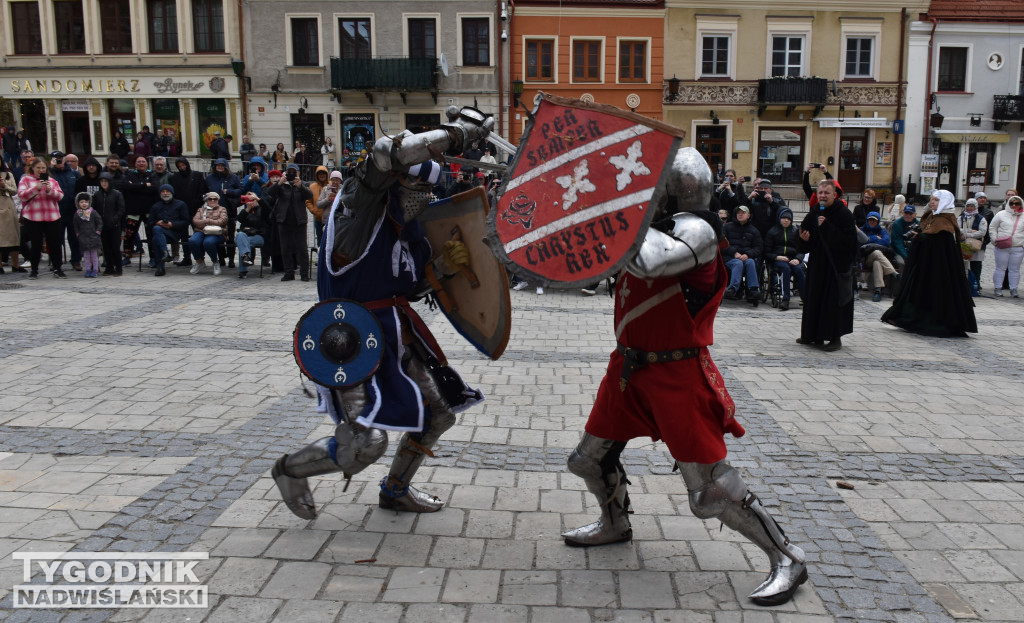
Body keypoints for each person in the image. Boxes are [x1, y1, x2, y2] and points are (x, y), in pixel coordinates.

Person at [560, 147, 807, 607]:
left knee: (709, 493)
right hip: (629, 368)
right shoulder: (647, 228)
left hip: (677, 373)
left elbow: (649, 261)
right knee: (586, 461)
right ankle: (614, 524)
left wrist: (606, 210)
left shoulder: (699, 231)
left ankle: (787, 557)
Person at [271, 109, 491, 521]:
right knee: (365, 444)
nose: (424, 196)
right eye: (415, 186)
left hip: (397, 334)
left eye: (430, 190)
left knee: (438, 415)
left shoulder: (407, 230)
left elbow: (406, 289)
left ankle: (395, 490)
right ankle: (289, 470)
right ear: (396, 182)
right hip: (350, 341)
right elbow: (384, 156)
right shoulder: (361, 207)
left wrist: (442, 267)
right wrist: (457, 134)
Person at [881, 189, 977, 336]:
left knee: (935, 293)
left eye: (936, 200)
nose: (932, 202)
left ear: (944, 202)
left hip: (939, 268)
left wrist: (920, 238)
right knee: (917, 291)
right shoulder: (932, 216)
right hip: (926, 264)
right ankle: (908, 318)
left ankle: (933, 323)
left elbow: (940, 244)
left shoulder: (945, 219)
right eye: (931, 199)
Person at [797, 179, 857, 351]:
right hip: (817, 264)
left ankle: (834, 338)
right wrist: (803, 240)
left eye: (826, 193)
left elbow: (849, 242)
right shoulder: (814, 212)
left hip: (836, 265)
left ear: (834, 195)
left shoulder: (843, 214)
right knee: (814, 299)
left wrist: (827, 226)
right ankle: (812, 335)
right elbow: (804, 238)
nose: (823, 196)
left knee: (832, 302)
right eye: (820, 193)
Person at [17, 157, 66, 279]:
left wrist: (50, 190)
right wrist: (36, 188)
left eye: (43, 168)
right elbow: (21, 195)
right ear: (32, 168)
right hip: (33, 217)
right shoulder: (26, 179)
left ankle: (57, 268)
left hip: (52, 216)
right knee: (36, 244)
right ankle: (34, 270)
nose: (40, 170)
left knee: (55, 243)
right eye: (38, 167)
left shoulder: (52, 181)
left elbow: (60, 196)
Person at [267, 164, 311, 281]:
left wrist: (300, 186)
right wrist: (279, 182)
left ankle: (304, 273)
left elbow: (310, 196)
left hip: (299, 220)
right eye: (289, 172)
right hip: (284, 220)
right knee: (285, 248)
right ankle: (289, 272)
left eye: (294, 172)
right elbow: (269, 192)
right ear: (285, 173)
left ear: (298, 173)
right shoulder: (282, 185)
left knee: (302, 248)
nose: (292, 174)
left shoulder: (304, 184)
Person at [763, 207, 805, 310]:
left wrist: (798, 259)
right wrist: (777, 257)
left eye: (788, 219)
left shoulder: (795, 232)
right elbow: (766, 252)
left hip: (792, 258)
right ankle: (785, 299)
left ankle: (805, 298)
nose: (786, 220)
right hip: (778, 259)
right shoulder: (772, 232)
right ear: (779, 218)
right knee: (785, 269)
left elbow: (801, 249)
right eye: (784, 218)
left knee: (799, 269)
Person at [122, 155, 157, 264]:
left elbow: (155, 188)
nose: (141, 163)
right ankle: (127, 257)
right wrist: (145, 185)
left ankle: (153, 257)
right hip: (133, 210)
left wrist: (136, 187)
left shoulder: (152, 174)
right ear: (135, 164)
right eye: (139, 161)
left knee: (151, 234)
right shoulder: (129, 174)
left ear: (147, 163)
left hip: (148, 210)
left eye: (143, 161)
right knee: (129, 235)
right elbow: (128, 187)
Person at [148, 185, 190, 276]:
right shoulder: (156, 206)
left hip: (174, 233)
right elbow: (150, 222)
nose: (165, 193)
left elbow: (186, 221)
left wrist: (172, 224)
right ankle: (165, 253)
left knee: (156, 236)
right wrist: (157, 222)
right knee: (156, 233)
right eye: (163, 192)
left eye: (167, 191)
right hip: (160, 234)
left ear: (172, 193)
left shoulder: (181, 204)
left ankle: (161, 266)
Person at [722, 205, 762, 302]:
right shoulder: (727, 227)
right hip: (729, 257)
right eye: (738, 213)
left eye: (743, 213)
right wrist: (734, 253)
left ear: (748, 215)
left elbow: (758, 247)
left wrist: (747, 254)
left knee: (750, 262)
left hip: (745, 256)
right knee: (737, 263)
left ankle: (753, 289)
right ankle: (733, 288)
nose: (740, 214)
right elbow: (722, 244)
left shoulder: (754, 230)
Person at [50, 151, 81, 271]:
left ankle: (76, 260)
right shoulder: (50, 173)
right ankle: (56, 262)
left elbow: (80, 188)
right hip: (57, 210)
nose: (58, 161)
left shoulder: (73, 173)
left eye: (60, 159)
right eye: (55, 159)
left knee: (74, 237)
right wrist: (51, 168)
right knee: (57, 239)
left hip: (72, 210)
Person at [989, 195, 1024, 298]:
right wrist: (994, 239)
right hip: (1002, 245)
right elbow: (993, 227)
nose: (1014, 205)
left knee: (1015, 269)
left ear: (1020, 204)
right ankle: (998, 287)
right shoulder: (1001, 214)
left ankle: (1014, 288)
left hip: (1017, 246)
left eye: (1016, 203)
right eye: (1011, 203)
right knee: (1000, 268)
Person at [858, 212, 897, 302]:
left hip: (875, 259)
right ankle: (893, 272)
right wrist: (875, 238)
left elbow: (886, 241)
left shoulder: (881, 230)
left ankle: (878, 291)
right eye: (870, 220)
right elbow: (861, 241)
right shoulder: (861, 229)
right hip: (864, 258)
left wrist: (869, 241)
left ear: (878, 221)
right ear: (867, 220)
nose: (872, 222)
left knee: (877, 262)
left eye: (874, 220)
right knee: (877, 252)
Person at [93, 173, 125, 276]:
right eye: (102, 181)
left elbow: (121, 209)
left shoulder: (117, 194)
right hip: (102, 225)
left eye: (105, 181)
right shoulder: (97, 194)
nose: (103, 183)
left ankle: (119, 268)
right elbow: (94, 209)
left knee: (115, 247)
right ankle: (109, 267)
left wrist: (114, 219)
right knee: (106, 248)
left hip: (114, 225)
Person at [188, 192, 228, 275]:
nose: (212, 200)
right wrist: (210, 222)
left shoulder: (222, 209)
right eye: (210, 199)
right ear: (206, 200)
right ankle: (199, 261)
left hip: (217, 232)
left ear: (218, 200)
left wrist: (207, 221)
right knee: (193, 241)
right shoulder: (201, 210)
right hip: (201, 231)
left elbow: (222, 221)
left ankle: (215, 262)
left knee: (208, 242)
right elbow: (195, 221)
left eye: (215, 199)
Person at [235, 191, 269, 279]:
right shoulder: (246, 211)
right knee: (241, 236)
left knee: (242, 242)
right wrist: (247, 209)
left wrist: (258, 199)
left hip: (258, 236)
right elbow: (239, 219)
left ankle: (243, 271)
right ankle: (245, 259)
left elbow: (268, 209)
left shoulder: (262, 210)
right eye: (248, 199)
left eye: (253, 199)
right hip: (244, 236)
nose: (251, 201)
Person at [958, 198, 988, 289]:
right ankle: (963, 285)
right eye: (968, 206)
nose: (970, 208)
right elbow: (957, 228)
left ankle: (975, 284)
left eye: (972, 206)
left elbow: (982, 232)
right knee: (963, 265)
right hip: (963, 244)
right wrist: (970, 231)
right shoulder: (961, 217)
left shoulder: (981, 219)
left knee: (976, 266)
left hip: (976, 245)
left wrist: (966, 234)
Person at [0, 158, 23, 273]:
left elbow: (14, 191)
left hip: (8, 208)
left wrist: (4, 186)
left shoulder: (8, 174)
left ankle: (16, 265)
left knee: (13, 238)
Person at [72, 192, 103, 277]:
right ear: (78, 203)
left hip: (93, 237)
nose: (84, 204)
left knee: (94, 255)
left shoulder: (93, 212)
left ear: (89, 202)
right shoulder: (77, 214)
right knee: (86, 256)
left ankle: (95, 269)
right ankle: (88, 269)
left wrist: (98, 231)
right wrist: (78, 233)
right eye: (81, 202)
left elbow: (99, 222)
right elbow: (75, 224)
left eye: (85, 202)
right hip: (83, 238)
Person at [890, 203, 918, 271]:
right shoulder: (897, 224)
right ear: (903, 213)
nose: (907, 215)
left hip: (912, 251)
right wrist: (906, 257)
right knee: (901, 263)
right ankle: (902, 280)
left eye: (910, 214)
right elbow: (897, 242)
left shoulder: (918, 224)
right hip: (898, 251)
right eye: (906, 213)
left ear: (915, 215)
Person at [307, 165, 330, 248]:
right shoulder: (312, 187)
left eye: (323, 174)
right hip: (318, 218)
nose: (322, 175)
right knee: (320, 240)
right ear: (317, 175)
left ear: (326, 174)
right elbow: (308, 201)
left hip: (329, 219)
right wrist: (313, 210)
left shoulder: (331, 185)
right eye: (320, 174)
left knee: (329, 240)